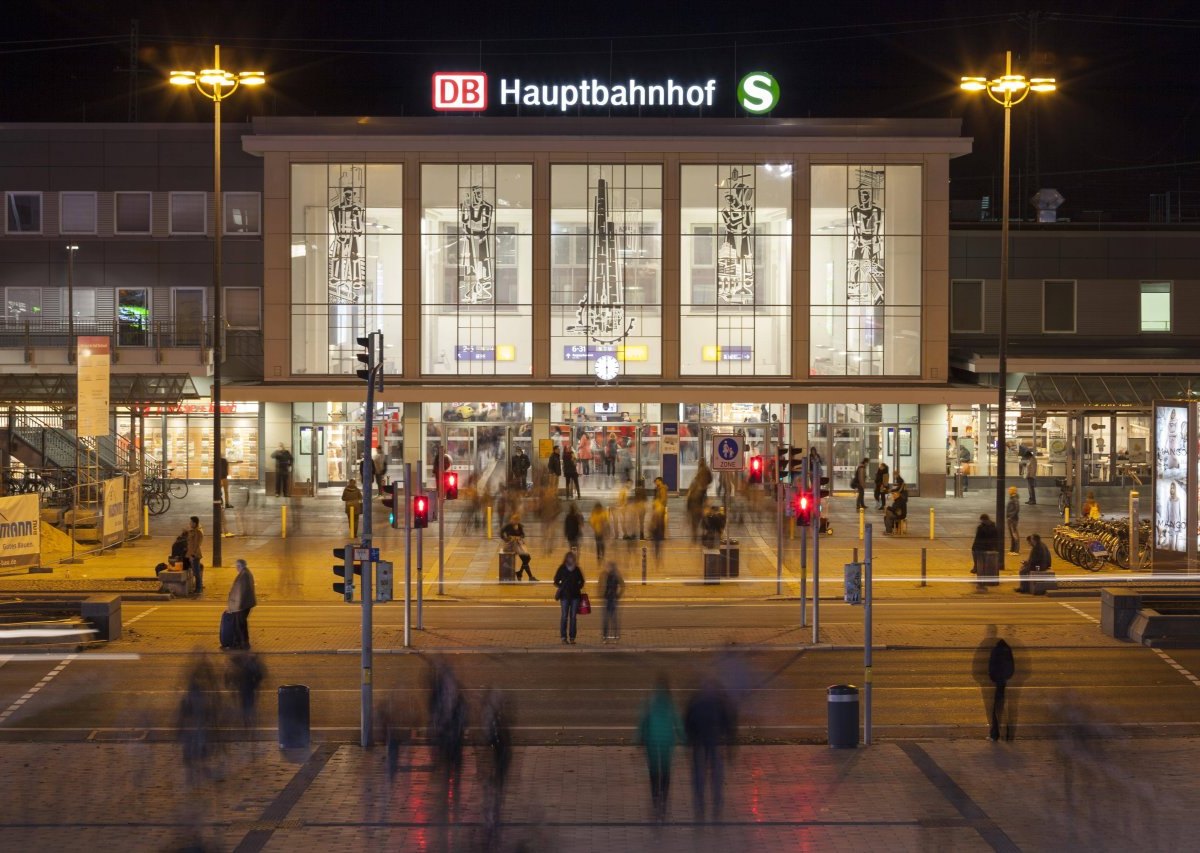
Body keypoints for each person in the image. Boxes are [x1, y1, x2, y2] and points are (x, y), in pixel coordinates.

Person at [684, 680, 737, 821]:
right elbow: (729, 725)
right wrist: (730, 747)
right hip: (715, 742)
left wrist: (689, 741)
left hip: (699, 742)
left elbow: (688, 721)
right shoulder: (720, 702)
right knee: (716, 776)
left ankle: (700, 804)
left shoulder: (696, 701)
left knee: (699, 776)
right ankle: (717, 804)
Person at [637, 675, 684, 822]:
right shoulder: (670, 704)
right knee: (665, 772)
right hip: (666, 743)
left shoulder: (650, 702)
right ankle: (663, 800)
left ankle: (655, 799)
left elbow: (643, 722)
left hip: (652, 742)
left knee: (653, 773)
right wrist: (684, 739)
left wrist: (639, 739)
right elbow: (677, 722)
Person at [552, 550, 585, 644]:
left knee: (573, 617)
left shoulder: (577, 569)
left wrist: (577, 587)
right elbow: (555, 581)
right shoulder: (562, 568)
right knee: (564, 616)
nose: (571, 559)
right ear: (566, 559)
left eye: (572, 558)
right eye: (569, 557)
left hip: (575, 596)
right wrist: (562, 587)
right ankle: (563, 637)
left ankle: (572, 637)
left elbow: (582, 581)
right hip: (565, 597)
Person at [226, 558, 257, 650]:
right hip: (244, 604)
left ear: (240, 566)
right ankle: (243, 642)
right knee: (241, 624)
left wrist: (234, 608)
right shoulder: (246, 573)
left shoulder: (244, 576)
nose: (236, 568)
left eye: (237, 566)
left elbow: (240, 594)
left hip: (241, 606)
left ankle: (241, 644)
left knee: (239, 625)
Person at [500, 513, 536, 581]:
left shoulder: (519, 526)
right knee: (526, 558)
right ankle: (529, 576)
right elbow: (501, 533)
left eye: (517, 520)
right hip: (511, 545)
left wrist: (520, 537)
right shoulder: (508, 526)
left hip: (519, 544)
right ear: (512, 520)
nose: (516, 522)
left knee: (527, 558)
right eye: (515, 520)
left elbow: (523, 534)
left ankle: (521, 573)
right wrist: (506, 539)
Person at [971, 513, 1001, 591]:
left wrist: (974, 547)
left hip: (980, 549)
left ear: (983, 520)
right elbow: (995, 539)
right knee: (984, 566)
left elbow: (977, 539)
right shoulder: (993, 527)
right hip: (988, 549)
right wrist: (995, 548)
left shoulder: (981, 528)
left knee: (980, 567)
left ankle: (980, 583)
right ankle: (982, 582)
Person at [598, 559, 625, 642]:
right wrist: (601, 594)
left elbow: (622, 585)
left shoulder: (616, 575)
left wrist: (618, 595)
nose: (608, 568)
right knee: (606, 619)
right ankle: (605, 637)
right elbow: (600, 584)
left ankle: (615, 636)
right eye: (608, 566)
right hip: (606, 598)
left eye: (610, 566)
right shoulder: (603, 574)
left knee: (613, 618)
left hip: (613, 599)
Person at [186, 516, 205, 593]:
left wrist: (192, 555)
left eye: (191, 522)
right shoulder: (193, 531)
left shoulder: (198, 532)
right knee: (197, 570)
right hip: (191, 554)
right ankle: (199, 586)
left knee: (196, 572)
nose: (189, 523)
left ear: (194, 523)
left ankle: (198, 588)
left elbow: (197, 545)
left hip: (195, 555)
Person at [1006, 486, 1021, 555]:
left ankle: (1016, 550)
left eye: (1010, 490)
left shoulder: (1014, 499)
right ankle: (1012, 550)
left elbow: (1017, 509)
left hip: (1013, 519)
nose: (1008, 491)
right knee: (1012, 535)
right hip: (1011, 519)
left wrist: (1010, 516)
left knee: (1014, 534)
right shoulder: (1013, 498)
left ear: (1013, 491)